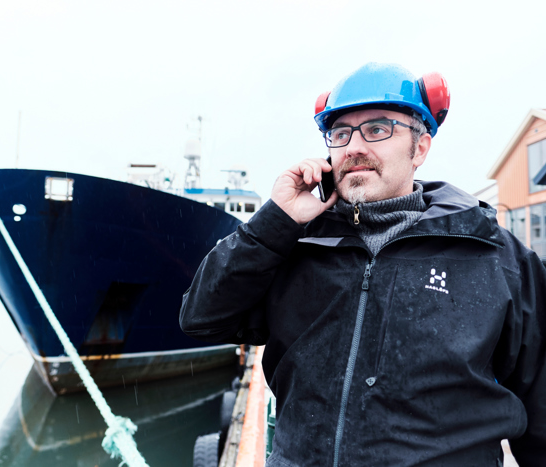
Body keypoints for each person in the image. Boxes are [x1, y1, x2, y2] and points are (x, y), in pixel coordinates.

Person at [179, 63, 546, 466]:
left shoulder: (492, 256)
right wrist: (275, 222)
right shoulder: (295, 246)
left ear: (419, 148)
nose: (354, 147)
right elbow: (201, 318)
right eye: (340, 133)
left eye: (377, 129)